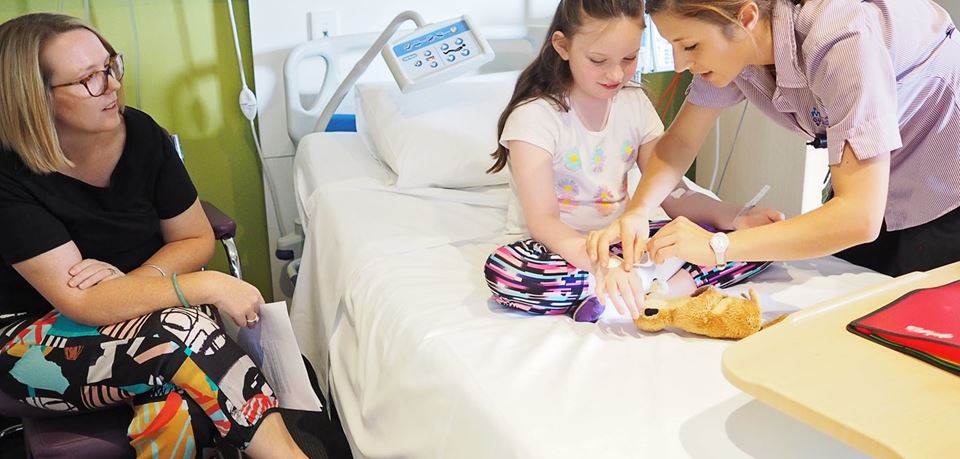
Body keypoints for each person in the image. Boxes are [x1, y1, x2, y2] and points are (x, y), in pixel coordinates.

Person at [0, 13, 306, 458]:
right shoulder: (10, 178)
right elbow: (82, 302)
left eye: (110, 66)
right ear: (33, 99)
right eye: (88, 79)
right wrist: (206, 283)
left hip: (149, 318)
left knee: (177, 390)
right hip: (30, 345)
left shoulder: (141, 134)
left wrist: (136, 282)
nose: (111, 85)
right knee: (181, 334)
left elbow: (195, 238)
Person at [587, 0, 960, 278]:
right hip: (879, 180)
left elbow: (858, 217)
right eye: (672, 46)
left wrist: (719, 246)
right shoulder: (737, 55)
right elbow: (681, 142)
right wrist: (636, 211)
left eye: (690, 46)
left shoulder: (840, 38)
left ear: (745, 18)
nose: (681, 64)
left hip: (945, 184)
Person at [483, 0, 782, 323]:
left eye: (629, 59)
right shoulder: (534, 118)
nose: (615, 74)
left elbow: (673, 193)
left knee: (750, 244)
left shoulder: (634, 103)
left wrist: (738, 218)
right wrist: (604, 265)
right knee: (506, 272)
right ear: (563, 46)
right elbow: (544, 222)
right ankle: (645, 286)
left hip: (623, 241)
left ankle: (645, 290)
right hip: (555, 249)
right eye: (598, 60)